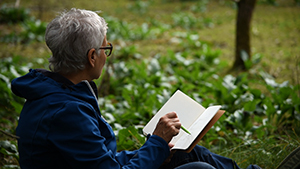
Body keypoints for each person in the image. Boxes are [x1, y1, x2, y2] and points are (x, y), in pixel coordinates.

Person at [11, 8, 260, 169]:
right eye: (105, 49)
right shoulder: (64, 111)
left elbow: (97, 162)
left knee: (189, 154)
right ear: (92, 56)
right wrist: (158, 142)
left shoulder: (59, 89)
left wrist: (156, 148)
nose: (107, 55)